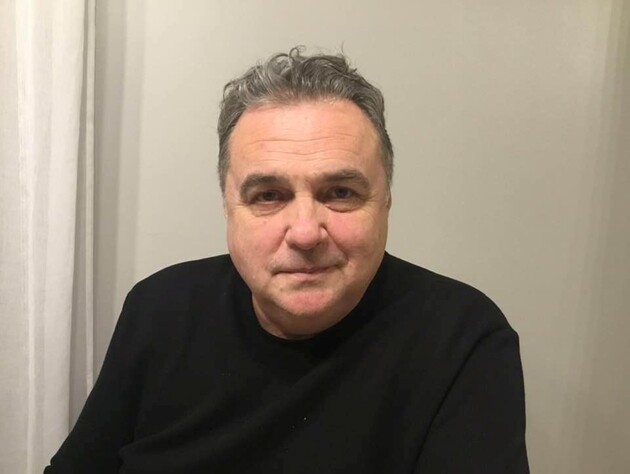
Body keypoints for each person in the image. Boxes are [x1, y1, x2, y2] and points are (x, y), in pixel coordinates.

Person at [45, 47, 529, 473]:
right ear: (228, 207)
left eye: (340, 193)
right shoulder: (159, 308)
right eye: (269, 195)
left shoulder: (460, 339)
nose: (304, 232)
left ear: (385, 202)